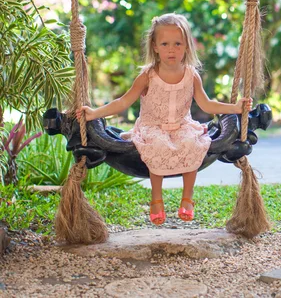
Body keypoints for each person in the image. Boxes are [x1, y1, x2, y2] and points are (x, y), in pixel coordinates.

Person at [76, 13, 251, 226]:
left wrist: (235, 108)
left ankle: (187, 198)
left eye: (178, 43)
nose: (171, 49)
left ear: (186, 46)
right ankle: (156, 199)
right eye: (165, 43)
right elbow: (123, 102)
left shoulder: (191, 75)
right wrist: (94, 113)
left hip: (182, 125)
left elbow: (206, 105)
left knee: (192, 143)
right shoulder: (148, 76)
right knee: (157, 145)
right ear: (155, 46)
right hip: (152, 127)